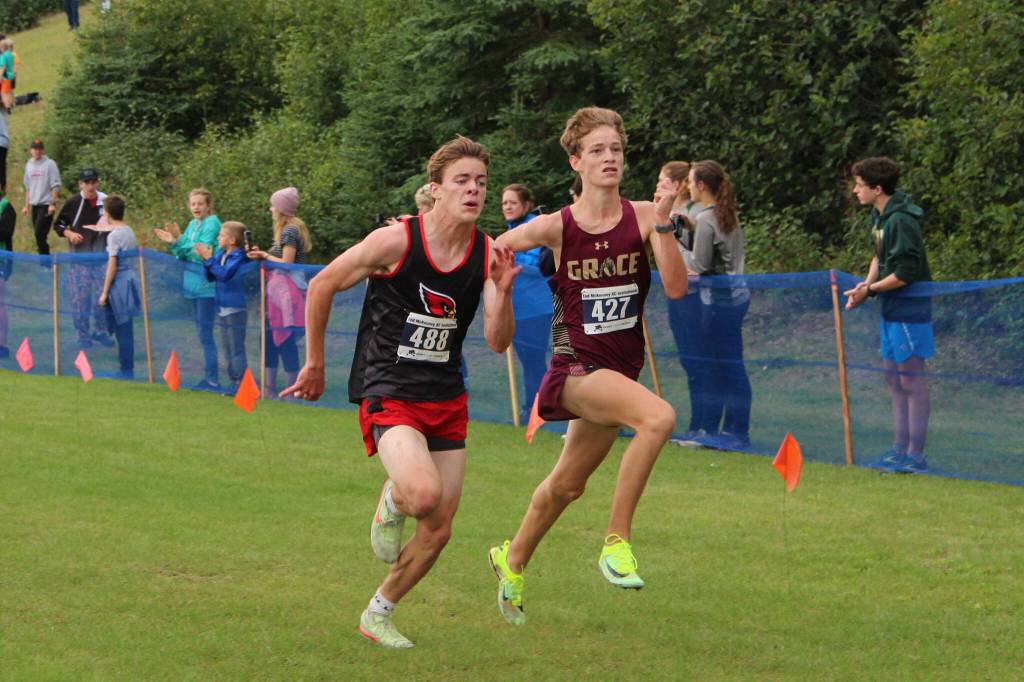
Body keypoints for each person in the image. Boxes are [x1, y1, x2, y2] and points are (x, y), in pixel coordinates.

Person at [280, 136, 518, 649]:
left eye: (480, 182)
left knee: (439, 529)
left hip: (446, 396)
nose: (474, 189)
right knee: (423, 495)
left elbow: (498, 343)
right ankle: (394, 497)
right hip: (388, 388)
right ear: (435, 190)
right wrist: (315, 362)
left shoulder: (489, 253)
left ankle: (379, 612)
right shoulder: (396, 242)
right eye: (462, 181)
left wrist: (506, 288)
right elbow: (321, 284)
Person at [488, 107, 686, 626]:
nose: (610, 158)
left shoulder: (645, 216)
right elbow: (489, 251)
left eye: (616, 150)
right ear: (576, 161)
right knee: (658, 418)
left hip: (619, 374)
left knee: (566, 486)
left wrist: (664, 222)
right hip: (575, 369)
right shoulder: (556, 226)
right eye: (597, 150)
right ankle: (616, 542)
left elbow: (678, 286)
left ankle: (510, 562)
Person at [844, 156, 933, 474]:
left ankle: (915, 455)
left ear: (877, 188)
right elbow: (879, 258)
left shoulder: (901, 221)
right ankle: (899, 449)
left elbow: (906, 272)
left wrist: (872, 290)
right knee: (894, 380)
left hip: (910, 311)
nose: (855, 190)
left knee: (912, 381)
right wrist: (864, 287)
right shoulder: (881, 218)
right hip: (890, 309)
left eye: (859, 185)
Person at [684, 160, 752, 451]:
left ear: (701, 186)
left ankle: (734, 431)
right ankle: (732, 429)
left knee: (726, 366)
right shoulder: (726, 214)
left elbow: (698, 265)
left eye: (690, 181)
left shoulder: (707, 219)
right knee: (731, 364)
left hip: (719, 302)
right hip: (736, 297)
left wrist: (673, 246)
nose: (687, 186)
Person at [657, 161, 708, 442]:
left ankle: (703, 424)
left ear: (677, 186)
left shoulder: (694, 215)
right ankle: (696, 422)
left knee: (698, 361)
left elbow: (695, 257)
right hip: (677, 295)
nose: (657, 186)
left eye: (662, 181)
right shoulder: (674, 215)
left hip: (694, 297)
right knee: (689, 362)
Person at [153, 189, 222, 390]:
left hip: (206, 287)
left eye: (200, 204)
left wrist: (179, 241)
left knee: (206, 335)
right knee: (201, 335)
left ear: (208, 205)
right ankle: (209, 377)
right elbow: (182, 255)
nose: (196, 208)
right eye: (193, 204)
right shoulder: (192, 225)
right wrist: (175, 242)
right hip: (191, 286)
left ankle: (213, 380)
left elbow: (202, 251)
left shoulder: (212, 223)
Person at [246, 187, 311, 398]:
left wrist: (264, 255)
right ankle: (269, 390)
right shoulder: (287, 231)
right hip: (277, 294)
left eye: (273, 205)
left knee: (285, 340)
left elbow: (287, 263)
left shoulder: (290, 231)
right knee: (270, 339)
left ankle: (290, 391)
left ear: (281, 209)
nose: (271, 209)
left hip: (287, 295)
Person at [501, 183, 553, 422]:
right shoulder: (510, 229)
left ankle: (539, 409)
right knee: (527, 361)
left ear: (526, 205)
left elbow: (540, 268)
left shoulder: (536, 228)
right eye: (504, 203)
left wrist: (512, 265)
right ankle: (531, 407)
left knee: (534, 360)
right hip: (517, 309)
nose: (508, 207)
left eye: (512, 202)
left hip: (536, 308)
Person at [54, 167, 114, 349]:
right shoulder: (73, 203)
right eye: (86, 182)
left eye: (93, 182)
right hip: (79, 259)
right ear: (81, 184)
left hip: (102, 258)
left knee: (102, 297)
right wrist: (69, 233)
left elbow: (117, 222)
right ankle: (83, 335)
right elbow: (58, 225)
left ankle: (101, 332)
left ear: (98, 183)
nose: (90, 185)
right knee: (80, 298)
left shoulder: (106, 202)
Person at [196, 222, 251, 393]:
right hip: (222, 306)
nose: (218, 238)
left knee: (236, 347)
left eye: (221, 235)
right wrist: (207, 260)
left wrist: (210, 260)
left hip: (235, 308)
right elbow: (212, 277)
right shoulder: (221, 254)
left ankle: (241, 382)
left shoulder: (238, 256)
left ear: (232, 240)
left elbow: (224, 275)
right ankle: (233, 380)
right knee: (227, 347)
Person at [97, 195, 140, 379]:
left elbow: (112, 264)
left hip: (120, 283)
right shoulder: (129, 230)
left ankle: (125, 369)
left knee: (122, 327)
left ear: (107, 213)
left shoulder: (114, 235)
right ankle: (127, 367)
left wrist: (105, 292)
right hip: (130, 279)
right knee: (126, 326)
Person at [22, 139, 61, 256]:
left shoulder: (50, 164)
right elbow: (28, 187)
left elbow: (55, 185)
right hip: (35, 204)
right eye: (35, 149)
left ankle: (45, 263)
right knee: (38, 234)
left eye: (40, 149)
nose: (37, 151)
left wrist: (52, 204)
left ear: (43, 150)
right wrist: (26, 206)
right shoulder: (29, 165)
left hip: (46, 205)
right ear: (31, 151)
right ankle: (45, 260)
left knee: (39, 234)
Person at [0, 39, 13, 113]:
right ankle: (9, 104)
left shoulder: (3, 56)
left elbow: (3, 67)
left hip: (5, 76)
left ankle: (7, 107)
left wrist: (0, 77)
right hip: (10, 74)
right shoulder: (10, 54)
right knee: (8, 91)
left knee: (3, 93)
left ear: (2, 47)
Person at [0, 107, 8, 194]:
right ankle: (3, 186)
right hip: (3, 141)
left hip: (2, 141)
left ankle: (3, 187)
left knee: (1, 165)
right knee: (2, 166)